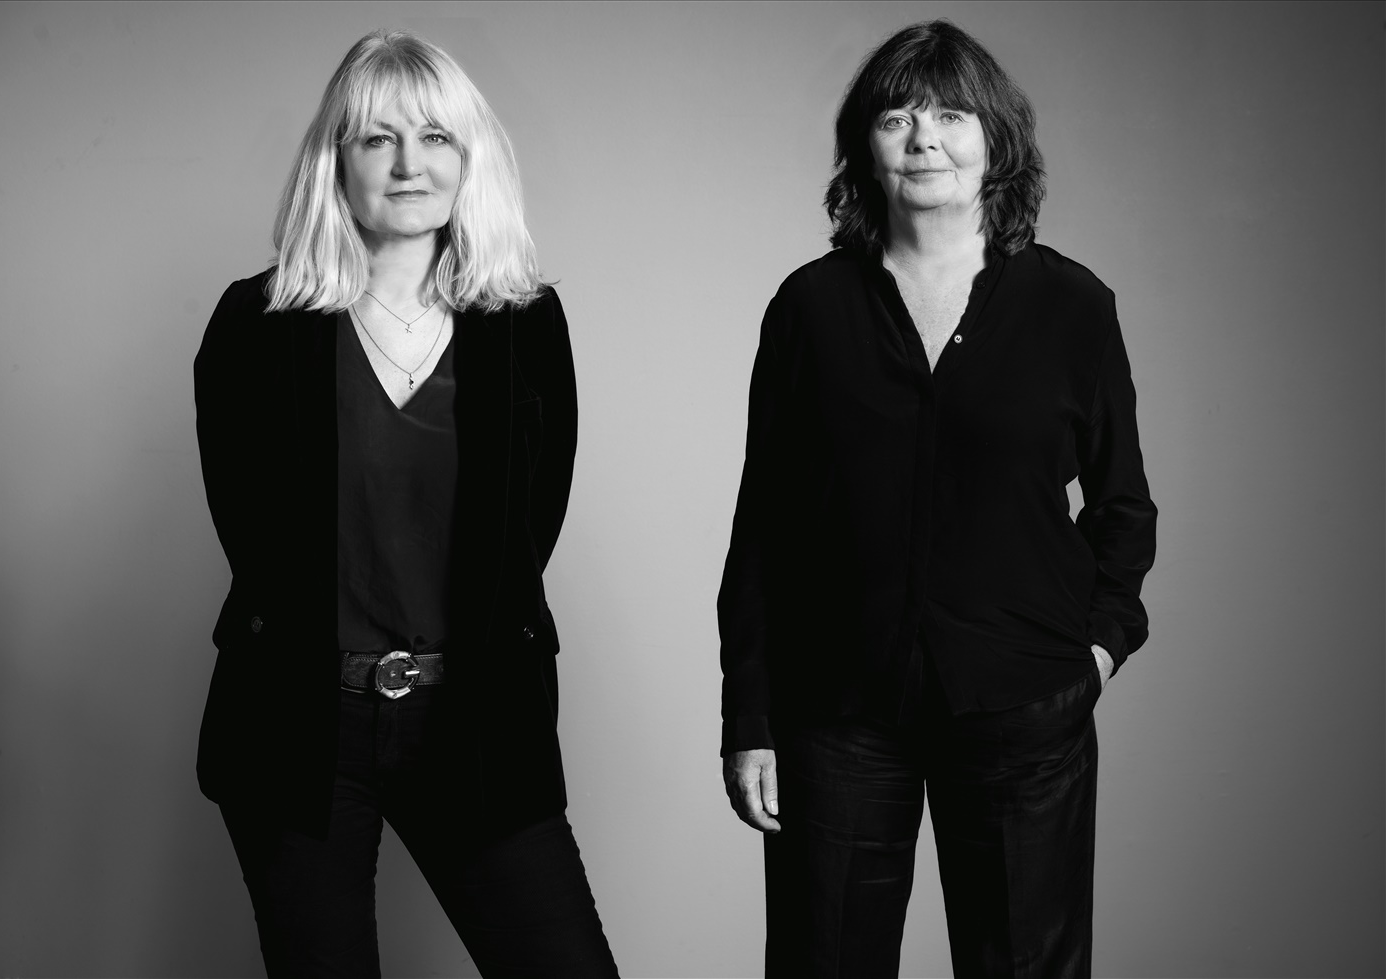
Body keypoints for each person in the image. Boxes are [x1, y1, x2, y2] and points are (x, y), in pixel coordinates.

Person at [718, 20, 1157, 979]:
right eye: (897, 118)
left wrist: (1096, 649)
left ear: (996, 140)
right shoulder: (809, 310)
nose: (925, 138)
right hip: (835, 711)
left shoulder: (1074, 308)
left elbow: (1123, 505)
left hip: (1024, 707)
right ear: (865, 149)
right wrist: (748, 715)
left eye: (952, 114)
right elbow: (765, 529)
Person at [194, 29, 617, 978]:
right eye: (378, 139)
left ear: (470, 159)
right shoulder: (255, 325)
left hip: (475, 717)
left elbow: (529, 529)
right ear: (335, 160)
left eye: (435, 137)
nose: (409, 165)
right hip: (302, 724)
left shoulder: (527, 325)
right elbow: (250, 529)